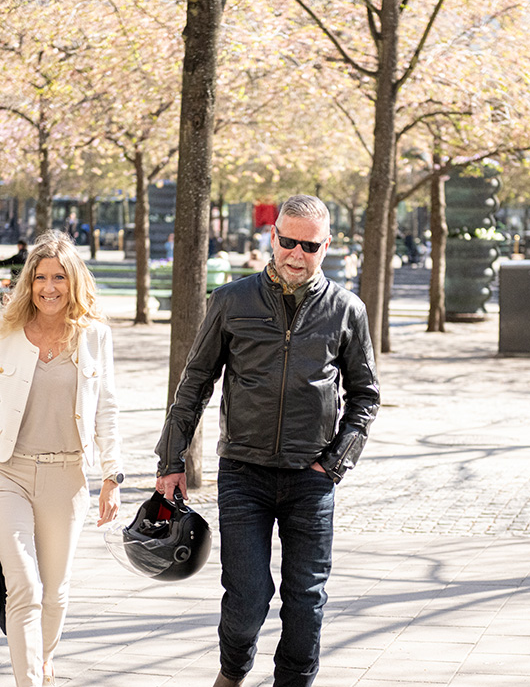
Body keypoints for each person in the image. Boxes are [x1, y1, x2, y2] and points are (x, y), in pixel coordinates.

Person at [154, 194, 381, 687]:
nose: (296, 254)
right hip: (244, 473)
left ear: (326, 246)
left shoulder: (347, 310)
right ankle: (233, 671)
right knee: (247, 595)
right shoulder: (231, 301)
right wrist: (171, 460)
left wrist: (334, 463)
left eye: (309, 246)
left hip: (311, 478)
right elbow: (194, 384)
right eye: (288, 241)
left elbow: (366, 396)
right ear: (273, 236)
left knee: (306, 598)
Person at [0, 230, 123, 687]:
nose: (48, 287)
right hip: (5, 472)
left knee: (54, 593)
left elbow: (107, 408)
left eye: (59, 277)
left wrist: (112, 476)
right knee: (25, 587)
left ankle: (43, 661)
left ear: (74, 281)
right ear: (28, 282)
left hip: (66, 475)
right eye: (39, 277)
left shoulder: (95, 336)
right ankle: (29, 680)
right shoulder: (4, 331)